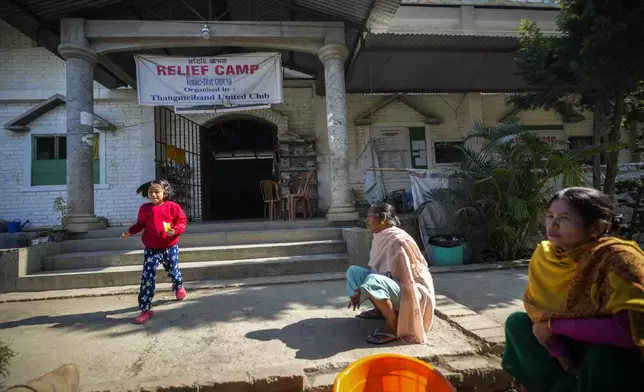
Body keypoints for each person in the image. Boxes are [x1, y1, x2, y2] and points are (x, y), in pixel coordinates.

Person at [502, 187, 644, 392]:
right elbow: (538, 312)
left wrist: (554, 326)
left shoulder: (619, 259)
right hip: (567, 344)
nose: (553, 223)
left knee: (604, 356)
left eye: (565, 217)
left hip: (613, 351)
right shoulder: (546, 257)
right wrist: (559, 352)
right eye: (550, 216)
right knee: (517, 324)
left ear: (595, 227)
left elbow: (630, 330)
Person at [346, 203, 436, 345]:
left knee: (373, 280)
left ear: (383, 218)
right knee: (354, 272)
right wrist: (360, 291)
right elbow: (379, 271)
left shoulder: (397, 240)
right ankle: (380, 311)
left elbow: (406, 278)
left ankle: (393, 325)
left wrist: (368, 286)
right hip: (394, 284)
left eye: (369, 217)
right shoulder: (381, 236)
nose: (367, 221)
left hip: (412, 291)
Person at [121, 179, 188, 324]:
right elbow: (141, 224)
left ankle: (178, 286)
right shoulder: (145, 209)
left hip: (170, 247)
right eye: (150, 192)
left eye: (157, 191)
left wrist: (175, 231)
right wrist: (130, 232)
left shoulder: (173, 207)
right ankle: (145, 309)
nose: (153, 195)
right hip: (151, 248)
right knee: (147, 278)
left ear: (165, 192)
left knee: (174, 272)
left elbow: (181, 222)